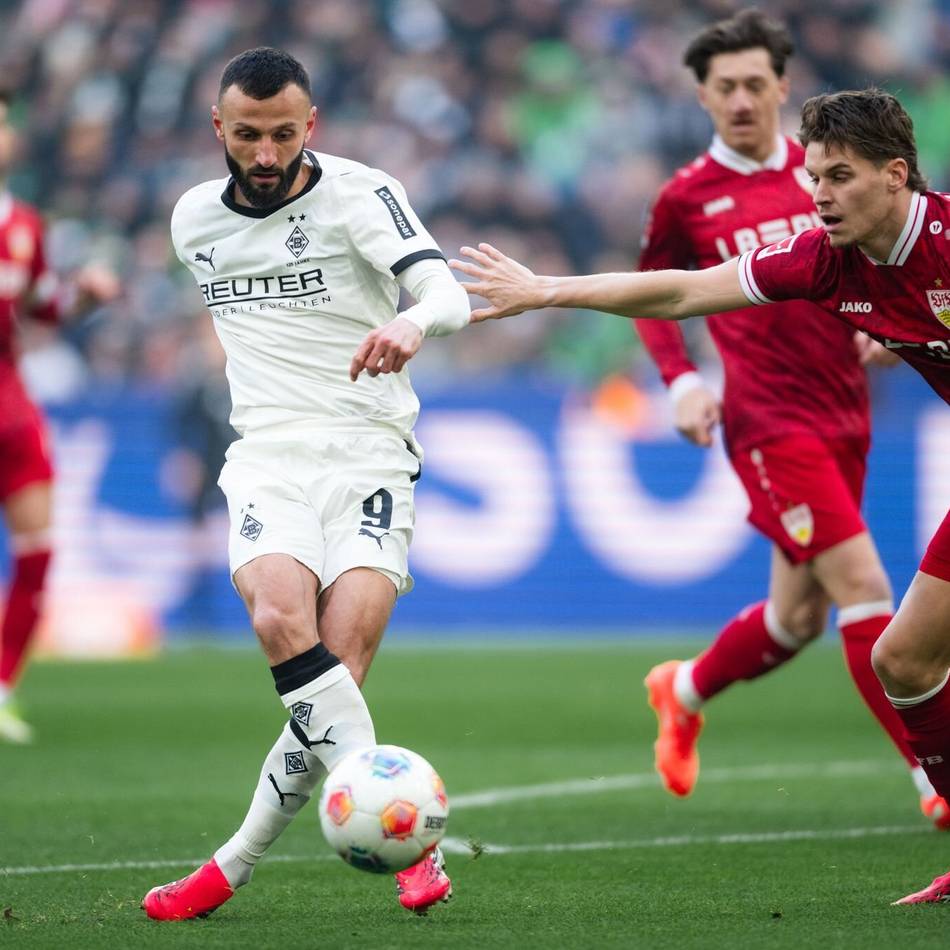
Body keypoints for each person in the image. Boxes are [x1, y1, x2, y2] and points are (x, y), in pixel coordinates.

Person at [451, 87, 950, 905]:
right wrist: (545, 290)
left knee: (813, 621)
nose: (819, 194)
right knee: (899, 655)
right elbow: (681, 291)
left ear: (895, 175)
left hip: (835, 423)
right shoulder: (825, 261)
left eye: (840, 177)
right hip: (775, 427)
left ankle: (692, 690)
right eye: (815, 176)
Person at [141, 48, 470, 920]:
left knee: (338, 674)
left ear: (310, 126)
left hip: (370, 452)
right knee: (278, 620)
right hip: (268, 455)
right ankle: (414, 843)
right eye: (247, 134)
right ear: (218, 127)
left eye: (284, 135)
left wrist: (411, 323)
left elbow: (447, 294)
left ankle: (230, 865)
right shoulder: (192, 220)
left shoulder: (361, 194)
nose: (265, 153)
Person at [630, 10, 946, 826]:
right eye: (723, 87)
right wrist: (680, 380)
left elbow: (888, 276)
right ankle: (932, 781)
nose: (740, 100)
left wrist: (893, 330)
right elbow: (663, 294)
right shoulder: (687, 196)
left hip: (845, 410)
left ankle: (684, 687)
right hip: (769, 423)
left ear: (781, 87)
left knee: (796, 618)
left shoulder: (830, 174)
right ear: (703, 97)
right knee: (864, 588)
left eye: (753, 83)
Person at [0, 90, 118, 744]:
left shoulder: (23, 225)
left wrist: (85, 296)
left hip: (11, 410)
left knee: (39, 551)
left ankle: (1, 688)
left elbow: (45, 308)